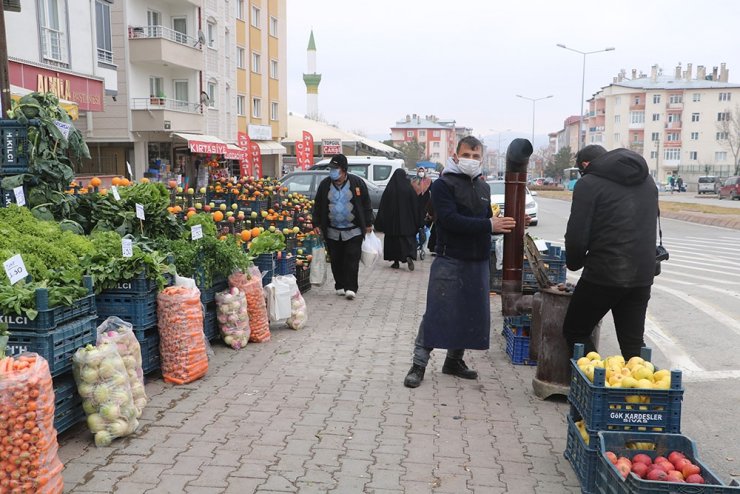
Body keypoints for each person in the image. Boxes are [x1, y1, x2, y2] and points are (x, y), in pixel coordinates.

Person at [403, 136, 517, 388]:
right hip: (450, 258)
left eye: (476, 157)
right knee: (437, 311)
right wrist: (489, 224)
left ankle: (454, 360)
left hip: (477, 259)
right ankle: (418, 364)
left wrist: (508, 225)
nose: (471, 161)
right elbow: (449, 220)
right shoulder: (443, 185)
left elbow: (486, 223)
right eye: (467, 155)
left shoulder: (483, 188)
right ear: (456, 156)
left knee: (468, 313)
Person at [562, 145, 658, 359]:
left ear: (585, 165)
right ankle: (642, 391)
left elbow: (577, 235)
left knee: (575, 331)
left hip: (603, 274)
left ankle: (599, 385)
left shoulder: (588, 183)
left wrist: (574, 263)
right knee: (633, 345)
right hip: (642, 274)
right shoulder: (647, 181)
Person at [312, 154, 374, 300]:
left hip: (354, 230)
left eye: (336, 168)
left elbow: (366, 203)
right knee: (336, 259)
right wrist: (316, 223)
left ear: (344, 170)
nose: (332, 171)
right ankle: (339, 285)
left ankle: (351, 287)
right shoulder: (325, 185)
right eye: (331, 168)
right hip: (333, 230)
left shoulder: (356, 183)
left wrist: (369, 222)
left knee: (352, 258)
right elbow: (318, 205)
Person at [374, 169, 421, 270]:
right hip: (407, 224)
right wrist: (418, 221)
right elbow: (415, 206)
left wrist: (380, 222)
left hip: (392, 224)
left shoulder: (389, 189)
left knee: (393, 243)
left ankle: (396, 262)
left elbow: (383, 207)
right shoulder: (409, 189)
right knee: (407, 241)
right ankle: (408, 256)